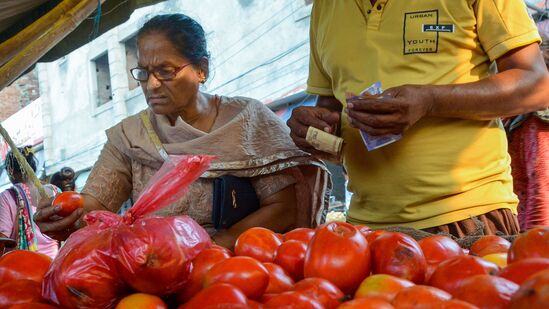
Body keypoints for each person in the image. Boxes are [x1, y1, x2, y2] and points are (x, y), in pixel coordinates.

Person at [34, 14, 330, 248]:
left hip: (236, 268)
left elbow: (283, 207)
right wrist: (65, 214)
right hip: (152, 267)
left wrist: (212, 247)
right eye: (143, 73)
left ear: (201, 69)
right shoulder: (130, 136)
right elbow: (96, 205)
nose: (151, 85)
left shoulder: (246, 119)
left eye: (165, 71)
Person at [288, 0, 549, 237]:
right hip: (365, 228)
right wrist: (315, 127)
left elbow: (537, 84)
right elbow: (330, 104)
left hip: (466, 217)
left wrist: (430, 101)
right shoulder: (324, 7)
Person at [505, 30, 549, 230]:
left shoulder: (536, 123)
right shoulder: (521, 117)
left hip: (535, 233)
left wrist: (535, 239)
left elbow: (541, 188)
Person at [0, 146, 59, 258]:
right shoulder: (53, 191)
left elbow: (3, 239)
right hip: (54, 260)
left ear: (10, 171)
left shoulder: (7, 196)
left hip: (25, 266)